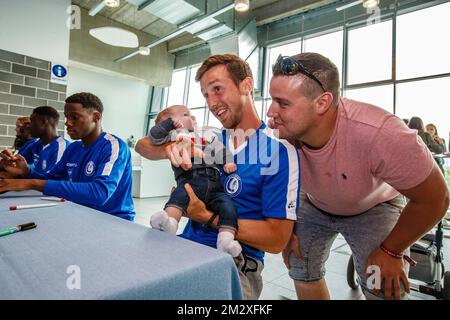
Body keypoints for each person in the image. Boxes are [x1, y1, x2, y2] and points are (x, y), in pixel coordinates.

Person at [267, 53, 449, 300]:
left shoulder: (381, 133)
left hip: (373, 208)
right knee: (299, 264)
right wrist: (286, 227)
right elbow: (279, 183)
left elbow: (436, 198)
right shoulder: (281, 135)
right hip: (314, 203)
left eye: (282, 103)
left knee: (381, 283)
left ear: (322, 103)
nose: (270, 111)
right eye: (271, 100)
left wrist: (391, 250)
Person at [135, 54, 300, 299]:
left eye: (218, 89)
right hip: (185, 244)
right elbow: (142, 145)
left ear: (246, 85)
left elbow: (276, 239)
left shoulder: (278, 152)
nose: (212, 103)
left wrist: (206, 216)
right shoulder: (209, 138)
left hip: (235, 262)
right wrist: (169, 149)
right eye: (205, 95)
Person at [0, 92, 135, 221]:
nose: (67, 123)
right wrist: (26, 172)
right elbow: (52, 178)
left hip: (113, 219)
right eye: (66, 117)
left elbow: (99, 193)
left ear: (96, 117)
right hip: (81, 213)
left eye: (74, 117)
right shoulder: (74, 148)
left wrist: (31, 183)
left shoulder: (113, 146)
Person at [148, 104, 242, 257]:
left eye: (191, 114)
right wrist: (169, 124)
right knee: (178, 198)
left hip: (214, 185)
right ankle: (169, 224)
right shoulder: (171, 136)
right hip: (188, 180)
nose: (192, 117)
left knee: (228, 207)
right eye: (185, 114)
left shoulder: (206, 137)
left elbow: (221, 150)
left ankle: (226, 240)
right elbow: (153, 135)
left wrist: (227, 162)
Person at [2, 106, 70, 176]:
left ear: (43, 122)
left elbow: (51, 181)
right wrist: (9, 159)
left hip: (42, 186)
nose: (28, 126)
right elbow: (16, 163)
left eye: (32, 121)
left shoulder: (61, 147)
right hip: (35, 185)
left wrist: (26, 174)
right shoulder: (37, 144)